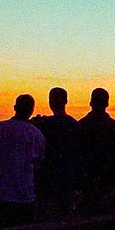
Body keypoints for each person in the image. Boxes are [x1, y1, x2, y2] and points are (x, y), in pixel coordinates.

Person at [0, 94, 45, 229]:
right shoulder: (36, 134)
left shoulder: (1, 128)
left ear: (15, 107)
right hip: (26, 194)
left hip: (1, 193)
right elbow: (39, 163)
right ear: (31, 110)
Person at [30, 87, 80, 220]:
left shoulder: (42, 124)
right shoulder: (74, 125)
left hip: (47, 182)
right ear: (66, 101)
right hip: (65, 181)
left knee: (45, 222)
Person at [77, 88, 115, 214]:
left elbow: (75, 158)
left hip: (87, 186)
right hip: (105, 186)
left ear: (90, 103)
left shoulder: (81, 125)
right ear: (107, 104)